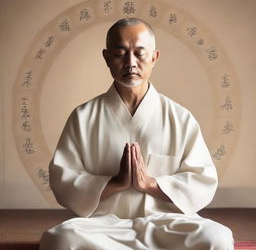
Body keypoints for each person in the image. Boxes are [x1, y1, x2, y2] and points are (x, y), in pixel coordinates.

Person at [40, 18, 234, 250]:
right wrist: (114, 183)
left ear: (154, 57)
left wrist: (150, 184)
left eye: (140, 53)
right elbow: (64, 181)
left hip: (166, 222)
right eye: (120, 53)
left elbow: (202, 180)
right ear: (106, 57)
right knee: (61, 239)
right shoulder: (83, 117)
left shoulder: (179, 117)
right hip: (101, 225)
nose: (130, 63)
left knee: (217, 237)